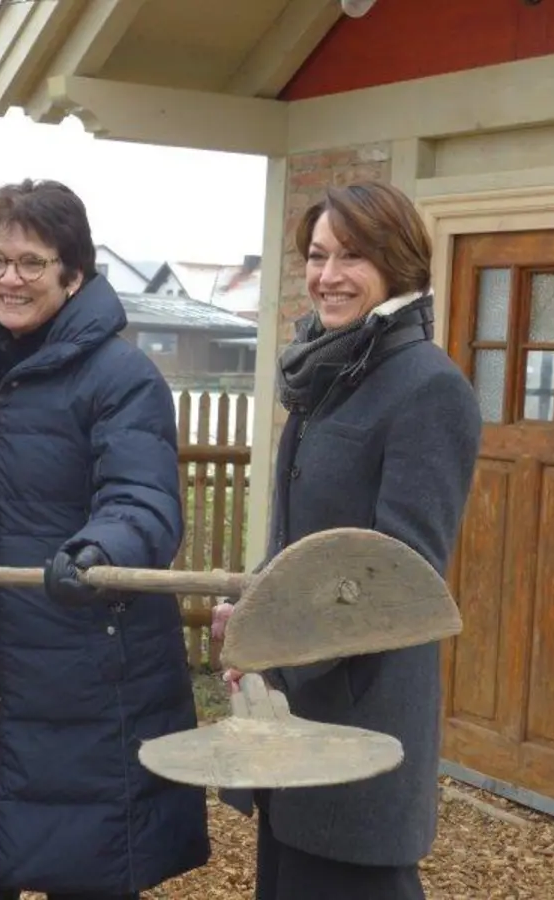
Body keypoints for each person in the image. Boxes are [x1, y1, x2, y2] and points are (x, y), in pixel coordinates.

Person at [0, 179, 210, 899]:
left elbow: (143, 502)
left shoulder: (121, 377)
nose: (10, 278)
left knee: (87, 865)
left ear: (74, 274)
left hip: (92, 674)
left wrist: (96, 553)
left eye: (32, 262)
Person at [212, 180, 482, 900]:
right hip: (290, 718)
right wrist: (254, 608)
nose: (327, 275)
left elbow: (397, 581)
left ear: (398, 264)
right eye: (317, 255)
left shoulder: (428, 388)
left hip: (360, 719)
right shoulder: (331, 372)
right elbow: (302, 539)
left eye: (352, 256)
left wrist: (276, 642)